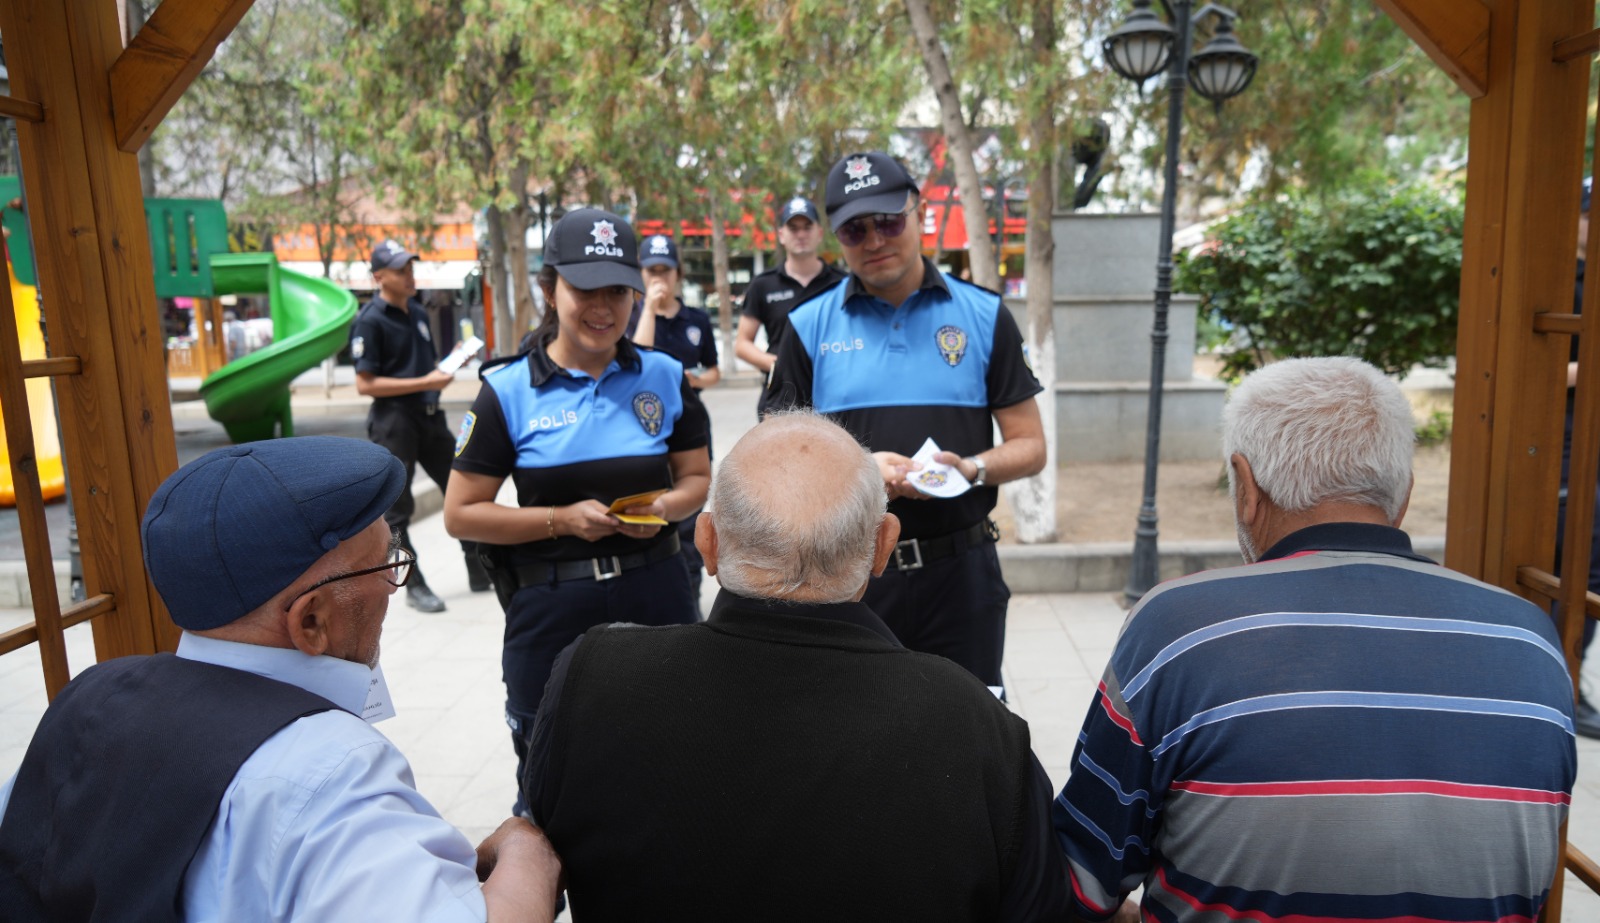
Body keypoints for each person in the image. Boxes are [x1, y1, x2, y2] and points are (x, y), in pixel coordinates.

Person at [1052, 357, 1577, 923]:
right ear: (1400, 498)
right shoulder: (1530, 637)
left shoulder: (1179, 628)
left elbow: (1083, 883)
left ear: (1245, 487)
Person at [522, 411, 1070, 922]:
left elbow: (538, 842)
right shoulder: (977, 725)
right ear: (883, 547)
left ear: (707, 543)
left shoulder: (592, 678)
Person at [0, 436, 561, 922]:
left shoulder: (90, 693)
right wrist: (526, 849)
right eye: (386, 563)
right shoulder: (326, 775)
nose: (394, 584)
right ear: (311, 620)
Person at [444, 208, 711, 815]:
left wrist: (665, 506)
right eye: (585, 288)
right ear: (548, 288)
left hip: (658, 597)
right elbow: (462, 514)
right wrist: (559, 521)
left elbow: (697, 478)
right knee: (550, 786)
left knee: (670, 767)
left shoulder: (667, 378)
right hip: (551, 613)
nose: (603, 307)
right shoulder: (506, 390)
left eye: (617, 290)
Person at [767, 151, 1047, 695]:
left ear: (919, 213)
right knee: (853, 738)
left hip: (962, 574)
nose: (874, 240)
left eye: (889, 221)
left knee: (968, 735)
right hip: (850, 578)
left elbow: (1030, 446)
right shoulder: (805, 327)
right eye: (854, 229)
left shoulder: (985, 316)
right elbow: (775, 460)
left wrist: (970, 468)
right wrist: (856, 470)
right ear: (836, 237)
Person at [351, 239, 486, 613]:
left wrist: (448, 366)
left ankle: (478, 568)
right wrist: (426, 382)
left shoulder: (419, 314)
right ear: (379, 277)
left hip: (431, 418)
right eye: (400, 270)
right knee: (396, 509)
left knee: (462, 487)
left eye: (411, 268)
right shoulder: (369, 321)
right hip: (394, 422)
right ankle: (413, 584)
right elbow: (366, 384)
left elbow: (423, 370)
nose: (410, 276)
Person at [628, 232, 720, 613]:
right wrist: (649, 309)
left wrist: (697, 380)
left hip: (689, 424)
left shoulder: (695, 319)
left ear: (678, 273)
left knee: (689, 512)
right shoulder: (632, 316)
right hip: (644, 427)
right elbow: (640, 357)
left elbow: (714, 369)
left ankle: (690, 597)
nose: (658, 279)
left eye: (665, 271)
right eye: (651, 271)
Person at [735, 196, 846, 418]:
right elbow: (742, 344)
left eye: (807, 227)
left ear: (820, 233)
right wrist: (779, 365)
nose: (801, 234)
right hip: (781, 397)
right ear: (781, 235)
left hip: (834, 392)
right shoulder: (763, 285)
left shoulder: (842, 283)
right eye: (793, 228)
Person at [1558, 177, 1600, 738]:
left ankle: (1571, 679)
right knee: (1565, 563)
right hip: (1564, 444)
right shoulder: (1555, 283)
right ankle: (1558, 684)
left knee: (1592, 570)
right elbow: (1535, 365)